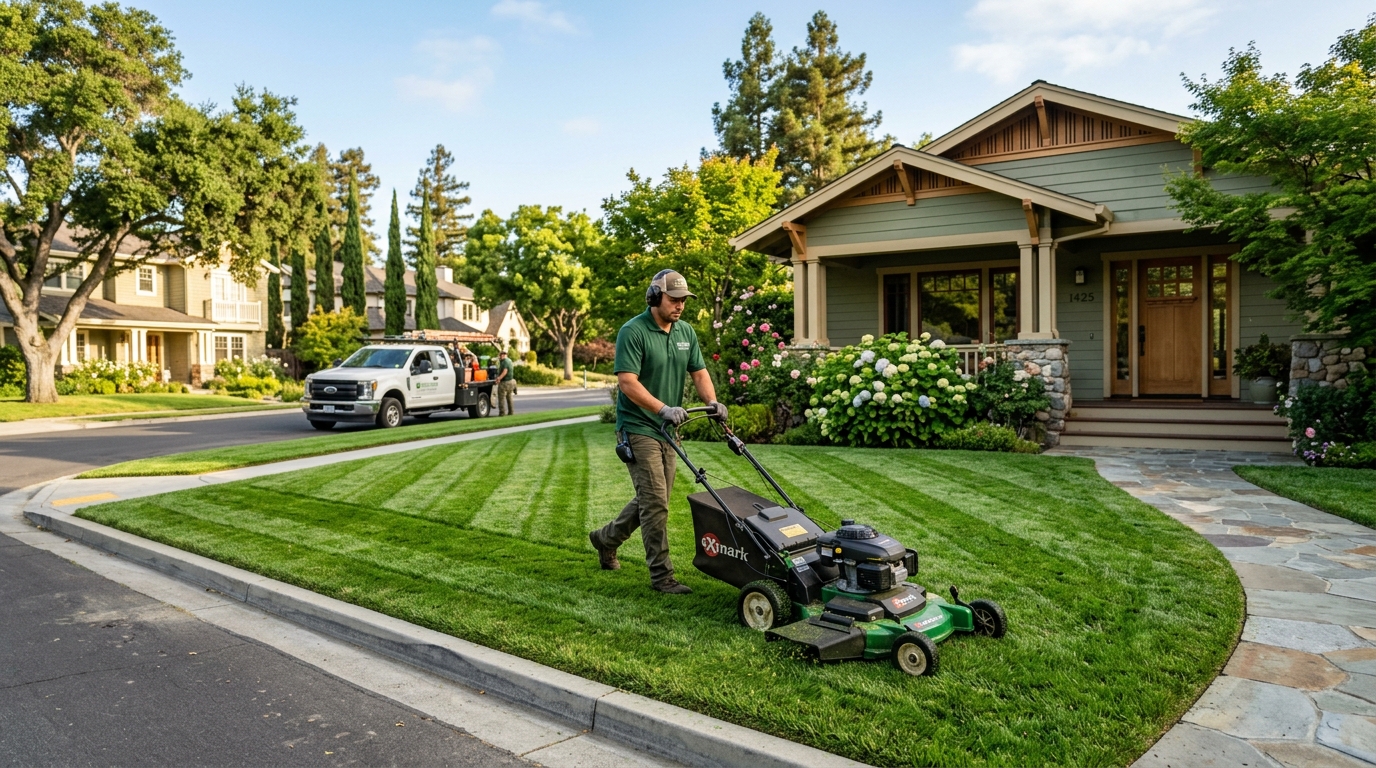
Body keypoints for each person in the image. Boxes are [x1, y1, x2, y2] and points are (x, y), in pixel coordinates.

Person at [589, 269, 726, 594]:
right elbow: (627, 382)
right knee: (655, 503)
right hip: (638, 427)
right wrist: (662, 408)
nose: (680, 306)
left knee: (655, 500)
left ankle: (605, 539)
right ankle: (662, 577)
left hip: (668, 430)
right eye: (674, 299)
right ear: (654, 297)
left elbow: (700, 372)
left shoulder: (686, 332)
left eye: (683, 301)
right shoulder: (632, 331)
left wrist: (713, 403)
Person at [495, 349, 516, 416]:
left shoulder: (505, 362)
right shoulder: (509, 360)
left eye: (503, 354)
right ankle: (511, 412)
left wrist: (498, 378)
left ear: (505, 355)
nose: (502, 356)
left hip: (505, 382)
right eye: (501, 354)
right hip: (511, 381)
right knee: (509, 397)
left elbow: (505, 371)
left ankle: (502, 413)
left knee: (501, 398)